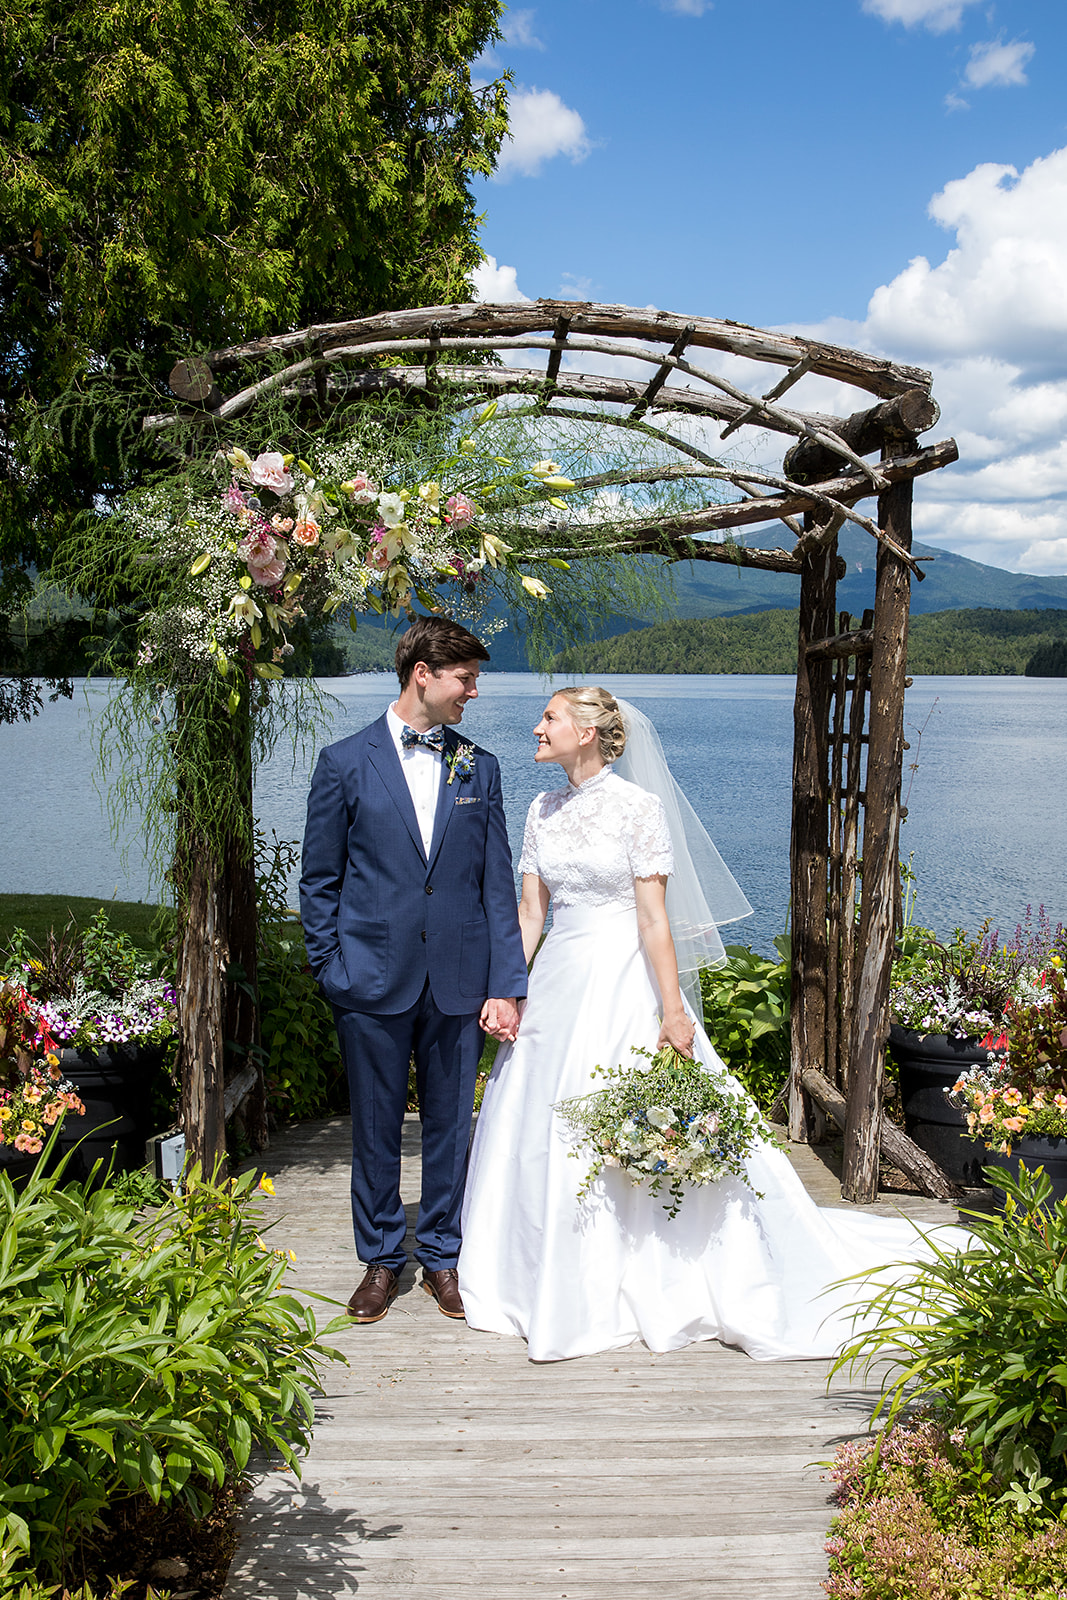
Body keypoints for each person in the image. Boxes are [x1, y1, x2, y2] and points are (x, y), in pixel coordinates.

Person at [459, 686, 959, 1363]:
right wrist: (506, 992)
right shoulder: (540, 808)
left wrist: (670, 1010)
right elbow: (528, 915)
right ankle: (541, 1276)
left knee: (631, 1113)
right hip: (555, 985)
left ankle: (653, 1269)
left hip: (621, 983)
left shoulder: (637, 809)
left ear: (587, 731)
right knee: (539, 1124)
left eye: (549, 717)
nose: (537, 726)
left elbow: (652, 920)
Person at [299, 616, 527, 1325]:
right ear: (422, 674)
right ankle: (380, 1259)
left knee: (451, 1126)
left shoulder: (477, 766)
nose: (474, 692)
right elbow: (319, 882)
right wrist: (331, 968)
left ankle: (442, 1256)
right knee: (372, 1125)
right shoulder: (342, 763)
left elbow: (496, 882)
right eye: (466, 678)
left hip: (458, 978)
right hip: (367, 977)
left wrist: (504, 982)